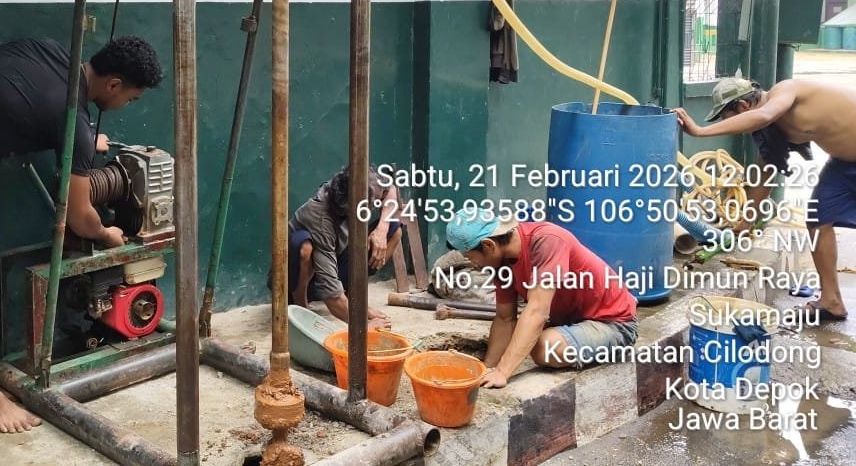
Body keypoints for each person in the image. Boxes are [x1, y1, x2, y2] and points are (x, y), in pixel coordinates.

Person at [0, 36, 163, 432]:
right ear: (113, 84)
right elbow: (79, 217)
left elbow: (21, 97)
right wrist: (105, 232)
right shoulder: (72, 120)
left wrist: (86, 139)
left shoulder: (55, 54)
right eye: (131, 98)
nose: (126, 105)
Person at [673, 75, 856, 322]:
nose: (732, 127)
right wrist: (745, 223)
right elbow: (764, 175)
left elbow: (764, 115)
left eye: (727, 117)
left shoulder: (784, 91)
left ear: (743, 106)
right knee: (817, 217)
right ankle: (831, 301)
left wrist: (700, 131)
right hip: (843, 163)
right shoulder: (771, 130)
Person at [446, 211, 638, 389]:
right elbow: (505, 319)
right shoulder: (501, 264)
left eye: (471, 257)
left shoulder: (547, 240)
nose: (474, 264)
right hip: (570, 322)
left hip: (614, 324)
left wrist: (503, 372)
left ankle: (609, 349)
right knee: (527, 335)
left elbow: (537, 312)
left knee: (544, 347)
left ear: (489, 245)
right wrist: (487, 369)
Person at [281, 166, 408, 329]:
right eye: (374, 203)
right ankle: (302, 309)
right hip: (299, 278)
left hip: (334, 258)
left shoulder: (354, 184)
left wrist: (382, 228)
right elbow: (331, 295)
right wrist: (362, 326)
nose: (378, 203)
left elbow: (390, 190)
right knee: (303, 245)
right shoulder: (320, 218)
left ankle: (354, 302)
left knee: (394, 230)